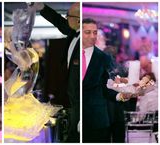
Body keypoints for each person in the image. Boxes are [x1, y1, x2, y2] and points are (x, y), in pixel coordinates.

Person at [82, 18, 133, 143]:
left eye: (95, 32)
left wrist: (120, 95)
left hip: (98, 119)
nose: (93, 36)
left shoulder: (103, 58)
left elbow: (107, 87)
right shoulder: (73, 51)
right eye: (88, 32)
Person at [34, 2, 80, 142]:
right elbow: (60, 22)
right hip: (69, 99)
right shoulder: (73, 32)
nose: (66, 18)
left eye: (68, 16)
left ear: (78, 20)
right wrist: (42, 7)